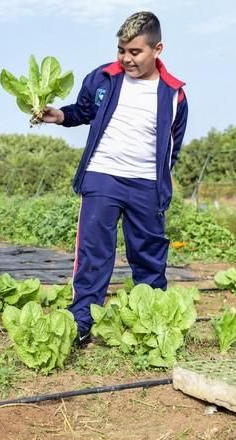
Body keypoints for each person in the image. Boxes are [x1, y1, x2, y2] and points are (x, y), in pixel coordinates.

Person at [41, 11, 188, 346]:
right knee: (94, 252)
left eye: (135, 52)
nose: (126, 58)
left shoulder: (174, 94)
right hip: (102, 177)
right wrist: (60, 115)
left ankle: (151, 321)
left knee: (149, 254)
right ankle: (82, 321)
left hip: (146, 184)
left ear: (157, 49)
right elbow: (83, 111)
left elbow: (172, 146)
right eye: (121, 50)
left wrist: (160, 180)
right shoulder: (103, 78)